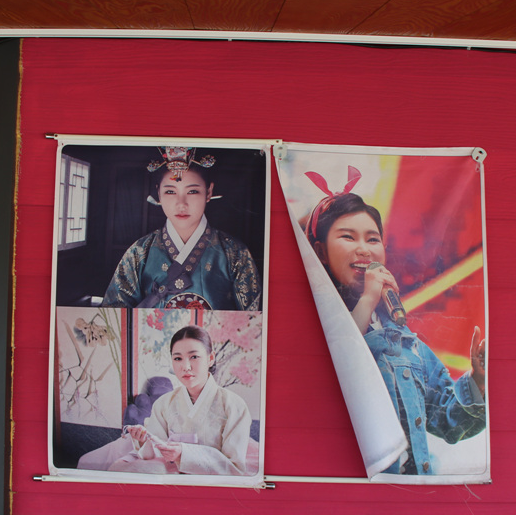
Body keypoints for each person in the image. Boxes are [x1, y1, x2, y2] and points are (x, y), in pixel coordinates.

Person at [304, 171, 486, 475]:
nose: (364, 249)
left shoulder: (405, 340)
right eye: (348, 237)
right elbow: (341, 361)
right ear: (321, 251)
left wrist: (477, 381)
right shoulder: (315, 317)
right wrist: (368, 298)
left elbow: (448, 422)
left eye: (373, 239)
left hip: (409, 488)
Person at [78, 325, 254, 476]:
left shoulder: (233, 406)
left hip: (212, 482)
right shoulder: (164, 403)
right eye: (178, 358)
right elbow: (154, 451)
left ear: (210, 358)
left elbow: (235, 469)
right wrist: (142, 440)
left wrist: (184, 454)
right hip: (170, 474)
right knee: (97, 464)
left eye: (194, 357)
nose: (185, 367)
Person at [101, 147, 261, 310]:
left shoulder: (234, 253)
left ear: (208, 192)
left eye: (193, 191)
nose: (181, 204)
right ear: (159, 193)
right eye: (170, 191)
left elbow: (253, 318)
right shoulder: (140, 252)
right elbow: (113, 316)